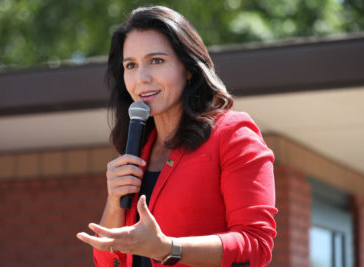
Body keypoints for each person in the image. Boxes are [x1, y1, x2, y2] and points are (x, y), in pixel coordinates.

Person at [77, 5, 277, 267]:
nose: (142, 78)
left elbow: (255, 246)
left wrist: (167, 248)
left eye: (156, 61)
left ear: (189, 68)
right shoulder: (136, 148)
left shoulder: (232, 134)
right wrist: (115, 202)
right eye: (131, 65)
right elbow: (107, 261)